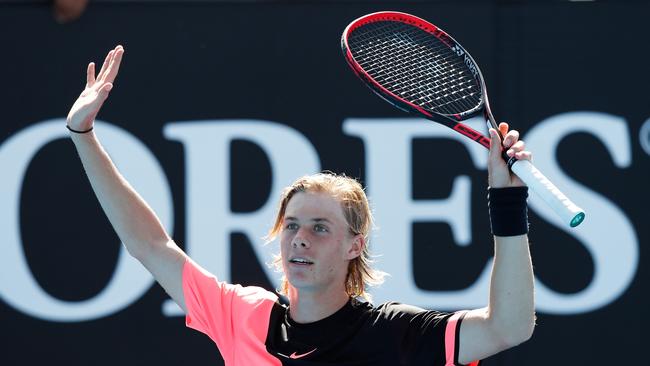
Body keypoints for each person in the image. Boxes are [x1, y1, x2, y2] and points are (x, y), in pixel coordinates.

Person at [66, 45, 535, 365]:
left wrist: (507, 200)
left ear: (356, 246)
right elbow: (149, 244)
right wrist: (83, 137)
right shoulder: (243, 316)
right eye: (291, 225)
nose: (300, 239)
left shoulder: (397, 334)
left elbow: (508, 328)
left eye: (320, 227)